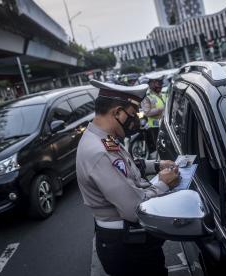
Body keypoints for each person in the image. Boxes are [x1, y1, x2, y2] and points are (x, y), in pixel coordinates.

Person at [76, 80, 180, 276]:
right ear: (117, 113)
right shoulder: (99, 151)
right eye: (132, 115)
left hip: (128, 239)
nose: (136, 121)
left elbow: (127, 166)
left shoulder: (102, 137)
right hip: (127, 245)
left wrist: (157, 165)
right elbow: (134, 208)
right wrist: (162, 184)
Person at [141, 75, 167, 151]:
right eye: (157, 83)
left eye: (160, 83)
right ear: (151, 84)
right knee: (161, 149)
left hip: (166, 124)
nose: (160, 85)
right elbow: (147, 112)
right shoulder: (147, 96)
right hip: (156, 127)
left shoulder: (163, 93)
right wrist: (161, 109)